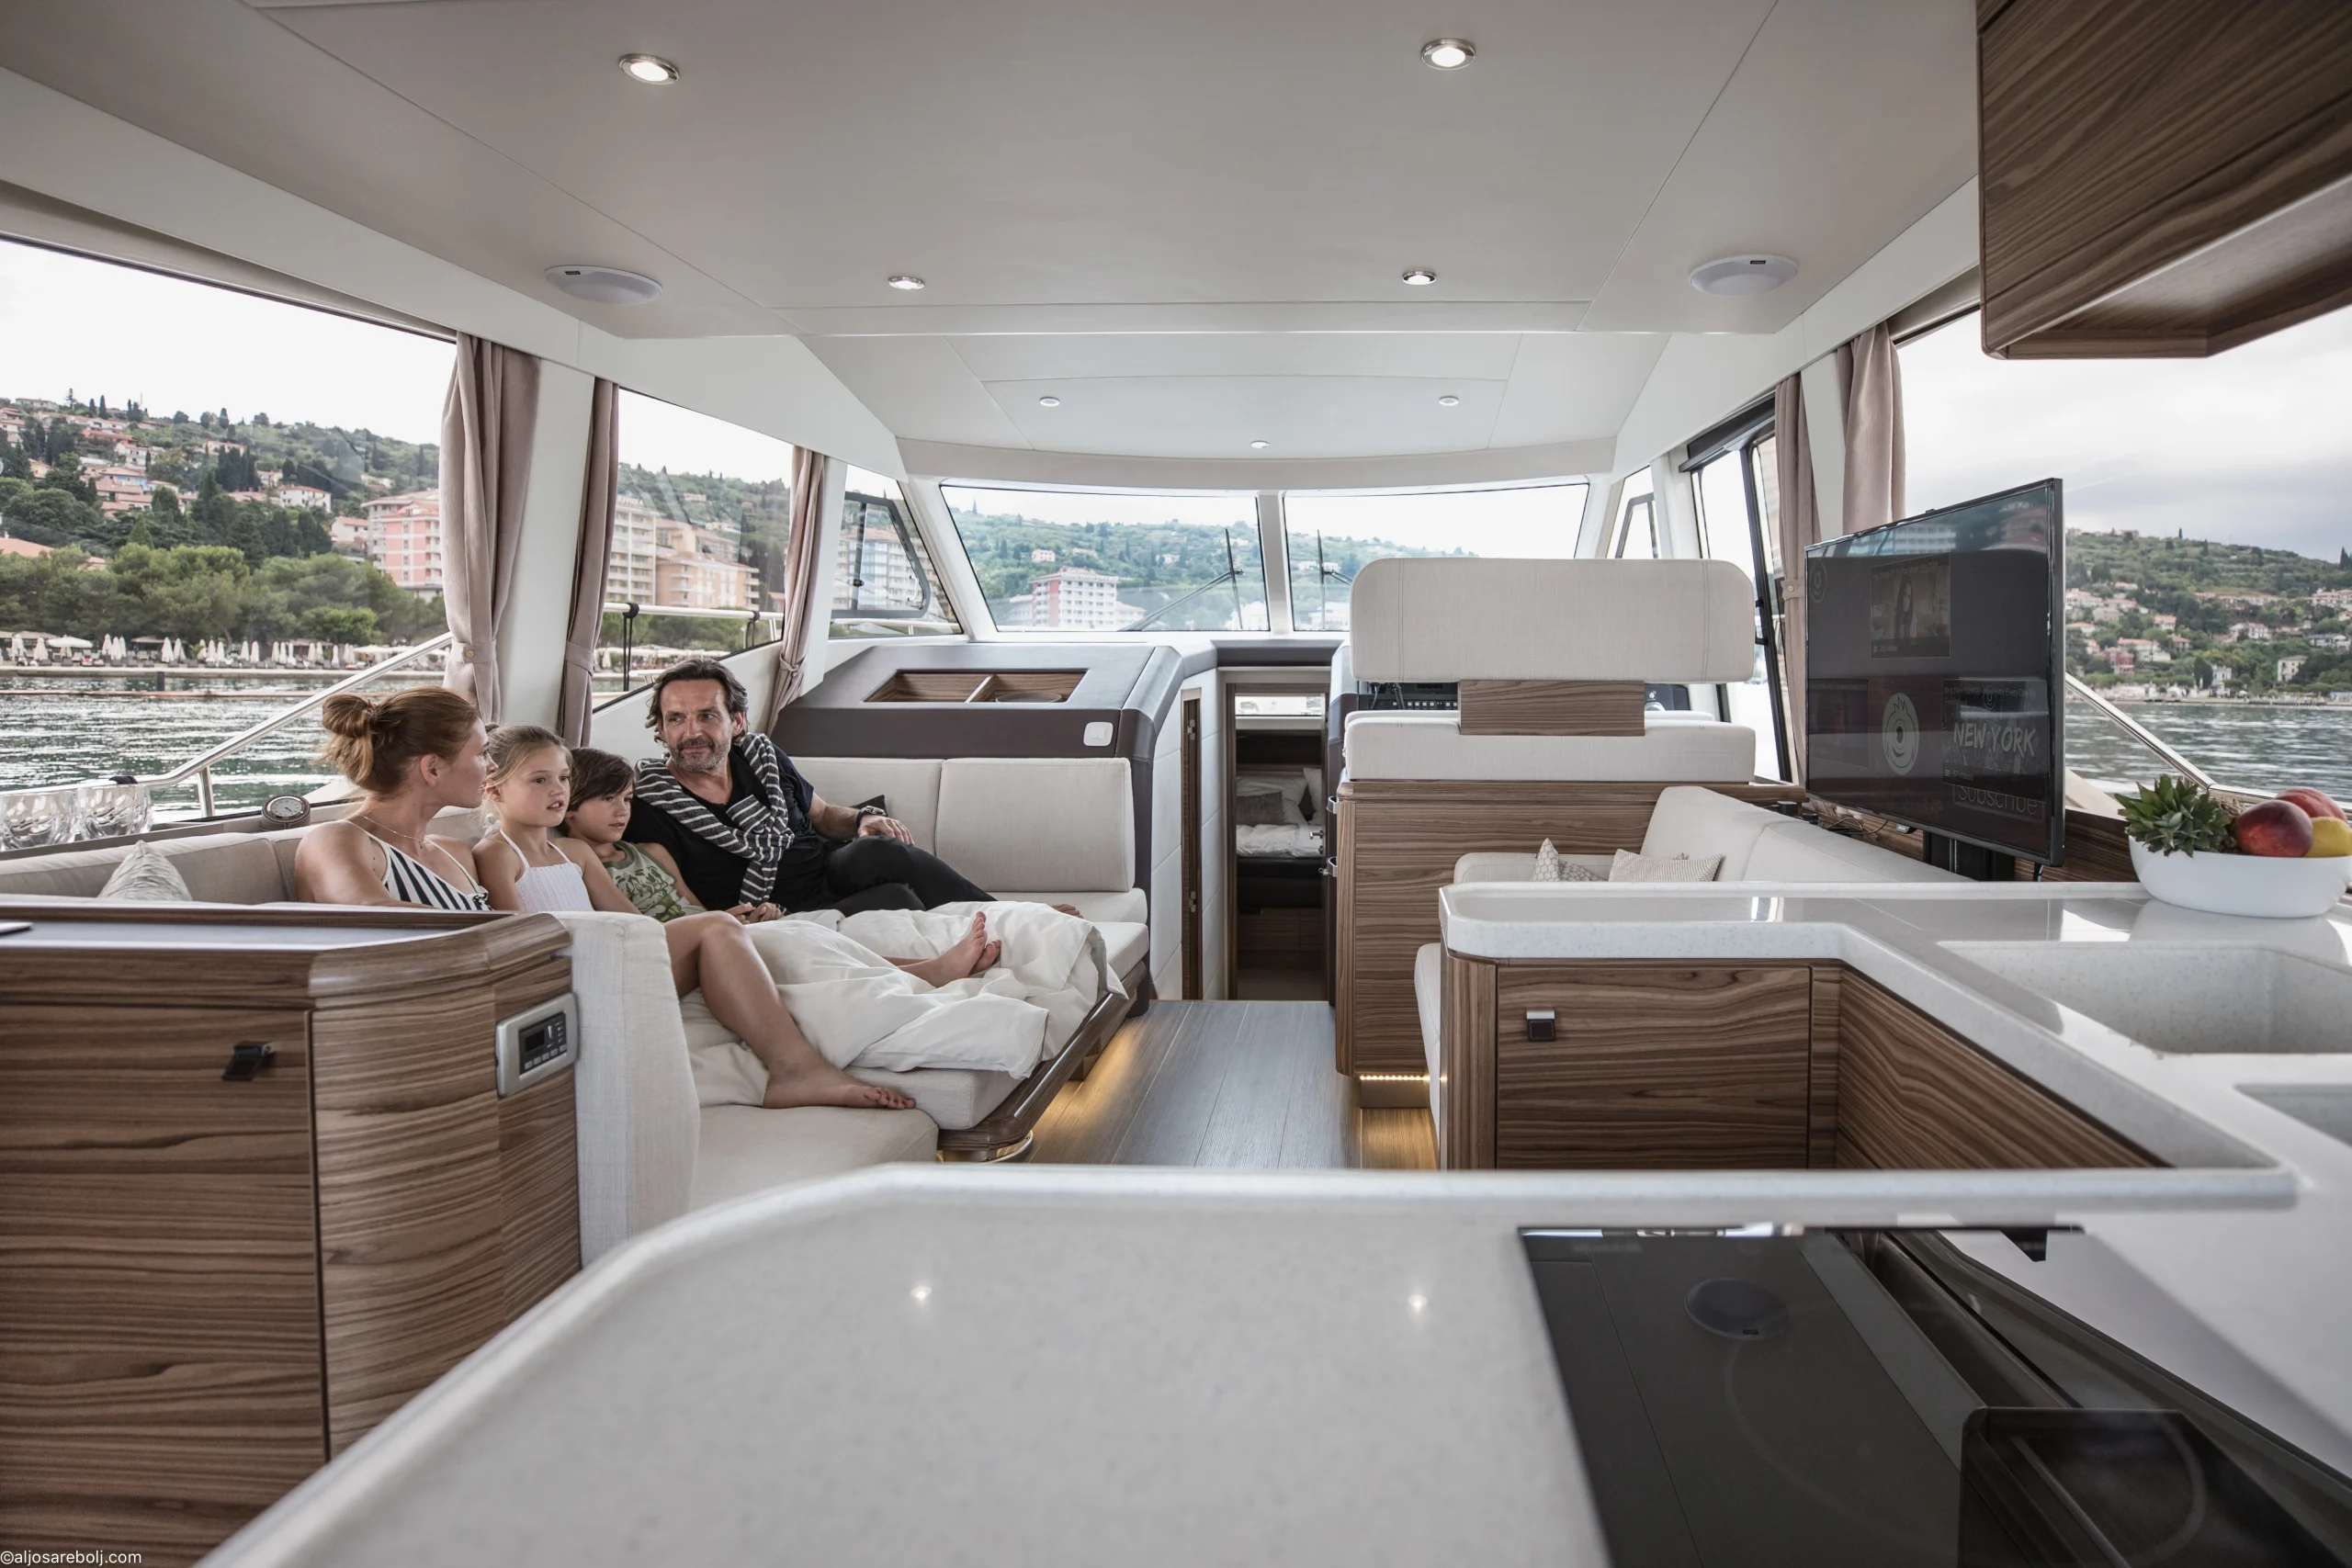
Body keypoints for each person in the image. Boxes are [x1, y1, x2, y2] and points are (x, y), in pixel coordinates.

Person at [296, 690, 911, 1111]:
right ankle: (798, 1066)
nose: (487, 766)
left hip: (520, 986)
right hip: (466, 1015)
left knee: (737, 934)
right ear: (432, 769)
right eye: (482, 753)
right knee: (717, 932)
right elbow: (374, 922)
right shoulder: (339, 840)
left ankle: (833, 1034)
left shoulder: (450, 852)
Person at [623, 658, 1000, 916]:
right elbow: (684, 904)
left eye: (707, 716)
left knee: (877, 851)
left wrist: (862, 819)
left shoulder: (761, 757)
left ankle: (1006, 918)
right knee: (899, 900)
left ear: (736, 722)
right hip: (776, 914)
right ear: (661, 729)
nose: (692, 732)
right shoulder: (651, 803)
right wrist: (732, 923)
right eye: (676, 719)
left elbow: (821, 815)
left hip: (825, 874)